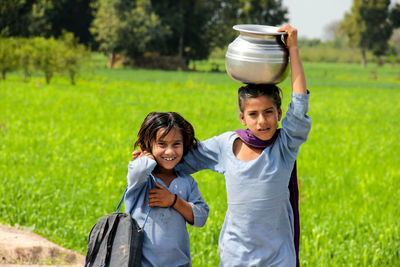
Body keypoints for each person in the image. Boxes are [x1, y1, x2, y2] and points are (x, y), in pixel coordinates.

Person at [174, 24, 312, 266]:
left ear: (279, 113)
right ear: (242, 117)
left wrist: (294, 50)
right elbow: (178, 161)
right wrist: (150, 157)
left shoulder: (284, 146)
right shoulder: (225, 145)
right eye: (253, 114)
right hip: (235, 255)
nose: (262, 121)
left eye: (269, 112)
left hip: (277, 257)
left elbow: (299, 106)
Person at [125, 111, 209, 267]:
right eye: (162, 144)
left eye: (176, 144)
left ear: (185, 145)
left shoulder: (187, 182)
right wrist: (146, 158)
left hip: (179, 263)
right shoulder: (143, 180)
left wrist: (174, 201)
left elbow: (201, 217)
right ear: (148, 145)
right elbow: (137, 171)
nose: (169, 151)